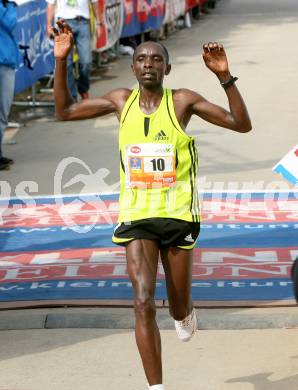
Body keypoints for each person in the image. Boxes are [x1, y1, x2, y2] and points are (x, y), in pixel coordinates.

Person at [52, 20, 252, 390]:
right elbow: (64, 112)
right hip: (137, 216)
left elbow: (242, 125)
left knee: (177, 306)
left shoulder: (183, 101)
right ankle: (156, 387)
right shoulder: (119, 101)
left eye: (156, 59)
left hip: (178, 214)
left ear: (167, 68)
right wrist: (61, 59)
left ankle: (184, 313)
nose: (148, 63)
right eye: (141, 58)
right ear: (133, 68)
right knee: (142, 299)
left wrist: (225, 77)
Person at [46, 0, 103, 100]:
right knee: (66, 63)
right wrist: (48, 25)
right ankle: (72, 96)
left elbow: (94, 3)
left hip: (83, 22)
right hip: (63, 23)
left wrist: (99, 24)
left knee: (86, 61)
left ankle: (83, 88)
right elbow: (50, 4)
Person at [0, 0, 19, 170]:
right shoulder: (6, 7)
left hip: (6, 62)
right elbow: (10, 22)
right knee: (2, 113)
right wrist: (11, 5)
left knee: (3, 113)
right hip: (2, 62)